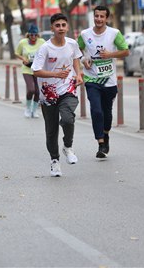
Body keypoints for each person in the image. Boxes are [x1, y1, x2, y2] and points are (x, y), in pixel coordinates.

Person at [32, 13, 83, 177]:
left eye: (63, 25)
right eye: (57, 25)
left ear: (67, 27)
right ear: (52, 28)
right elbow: (36, 71)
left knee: (67, 119)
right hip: (48, 93)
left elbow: (75, 58)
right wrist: (55, 75)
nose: (61, 28)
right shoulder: (45, 48)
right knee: (51, 130)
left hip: (67, 88)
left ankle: (68, 146)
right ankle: (54, 160)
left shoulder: (72, 43)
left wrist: (78, 74)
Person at [77, 5, 129, 159]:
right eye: (96, 16)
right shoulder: (85, 34)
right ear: (93, 16)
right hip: (91, 79)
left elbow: (126, 51)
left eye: (102, 16)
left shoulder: (114, 33)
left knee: (107, 113)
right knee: (96, 110)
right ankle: (100, 143)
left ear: (107, 18)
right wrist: (83, 60)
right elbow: (77, 50)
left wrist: (110, 55)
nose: (99, 19)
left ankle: (105, 134)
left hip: (109, 80)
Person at [15, 24, 46, 118]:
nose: (33, 37)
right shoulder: (23, 42)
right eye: (31, 35)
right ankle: (28, 108)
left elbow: (47, 52)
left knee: (37, 91)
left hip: (38, 69)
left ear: (38, 35)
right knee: (31, 89)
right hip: (27, 69)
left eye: (35, 35)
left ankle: (34, 110)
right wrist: (23, 59)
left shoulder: (42, 42)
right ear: (28, 34)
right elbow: (17, 53)